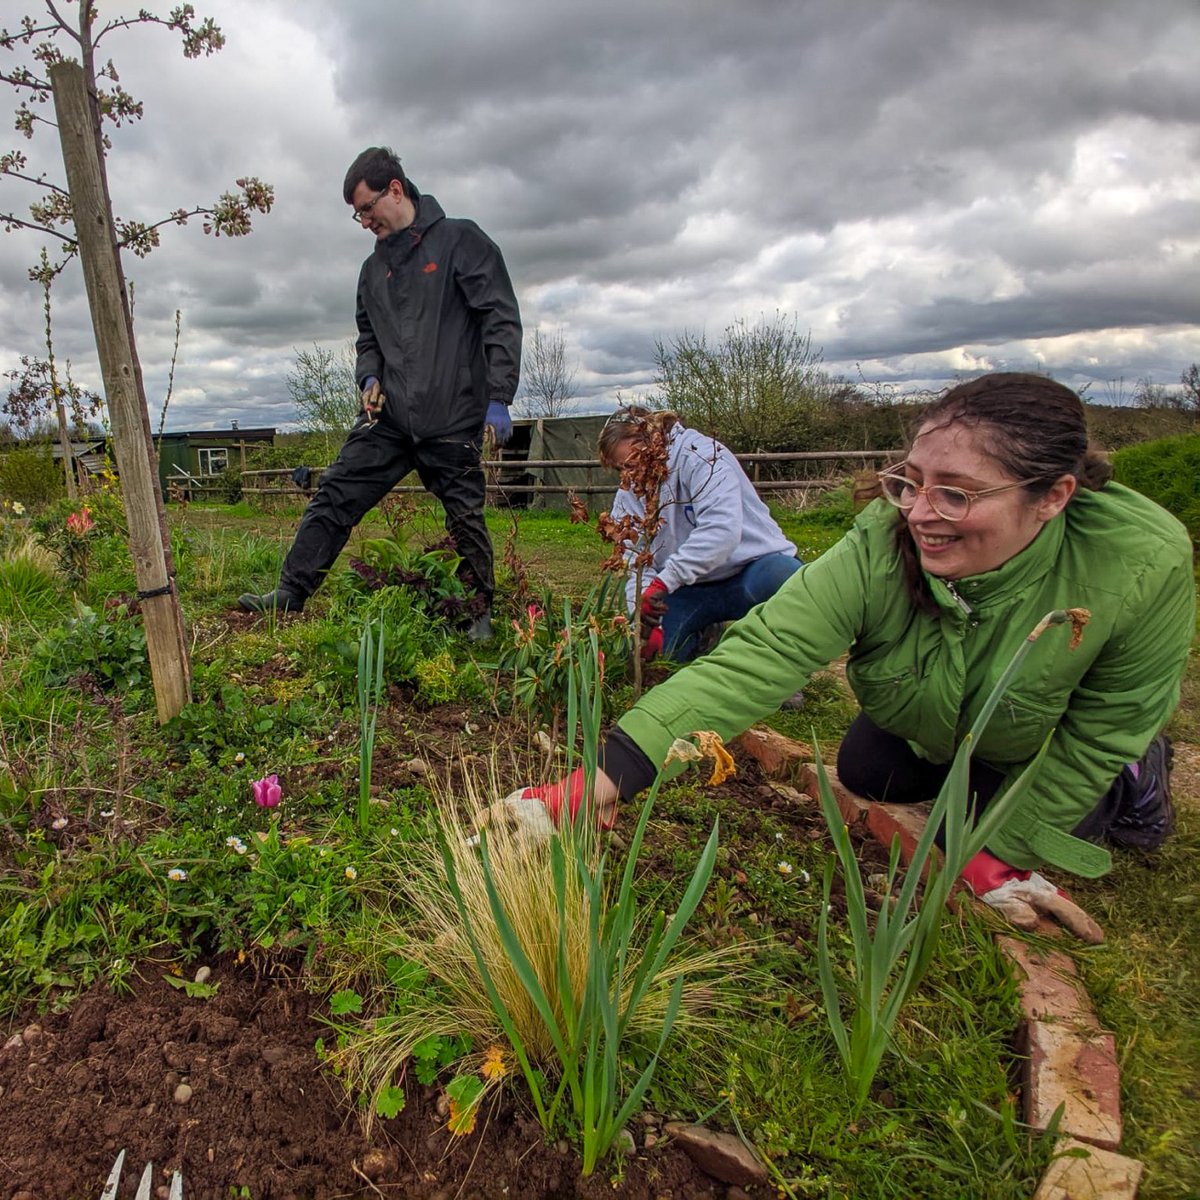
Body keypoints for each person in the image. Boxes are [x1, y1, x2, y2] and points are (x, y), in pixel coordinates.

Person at [495, 374, 1194, 938]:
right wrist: (602, 780)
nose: (919, 512)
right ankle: (971, 772)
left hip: (1039, 729)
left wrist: (1001, 855)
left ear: (1052, 497)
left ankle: (1138, 779)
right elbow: (761, 655)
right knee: (868, 770)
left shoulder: (1138, 567)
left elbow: (1105, 719)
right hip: (935, 709)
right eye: (911, 481)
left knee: (979, 826)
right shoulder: (883, 544)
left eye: (956, 493)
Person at [238, 147, 522, 641]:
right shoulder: (373, 272)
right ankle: (291, 590)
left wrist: (498, 394)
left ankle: (478, 612)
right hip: (389, 419)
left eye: (368, 208)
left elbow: (498, 317)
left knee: (463, 514)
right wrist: (368, 379)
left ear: (395, 188)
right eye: (357, 214)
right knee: (336, 495)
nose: (365, 221)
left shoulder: (461, 242)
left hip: (451, 413)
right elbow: (367, 338)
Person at [598, 407, 802, 662]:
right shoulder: (629, 495)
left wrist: (663, 583)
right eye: (621, 469)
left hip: (752, 570)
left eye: (632, 463)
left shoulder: (702, 457)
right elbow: (636, 564)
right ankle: (704, 635)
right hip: (690, 587)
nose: (629, 475)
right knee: (664, 657)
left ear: (653, 439)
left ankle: (785, 665)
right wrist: (643, 617)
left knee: (786, 578)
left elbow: (721, 532)